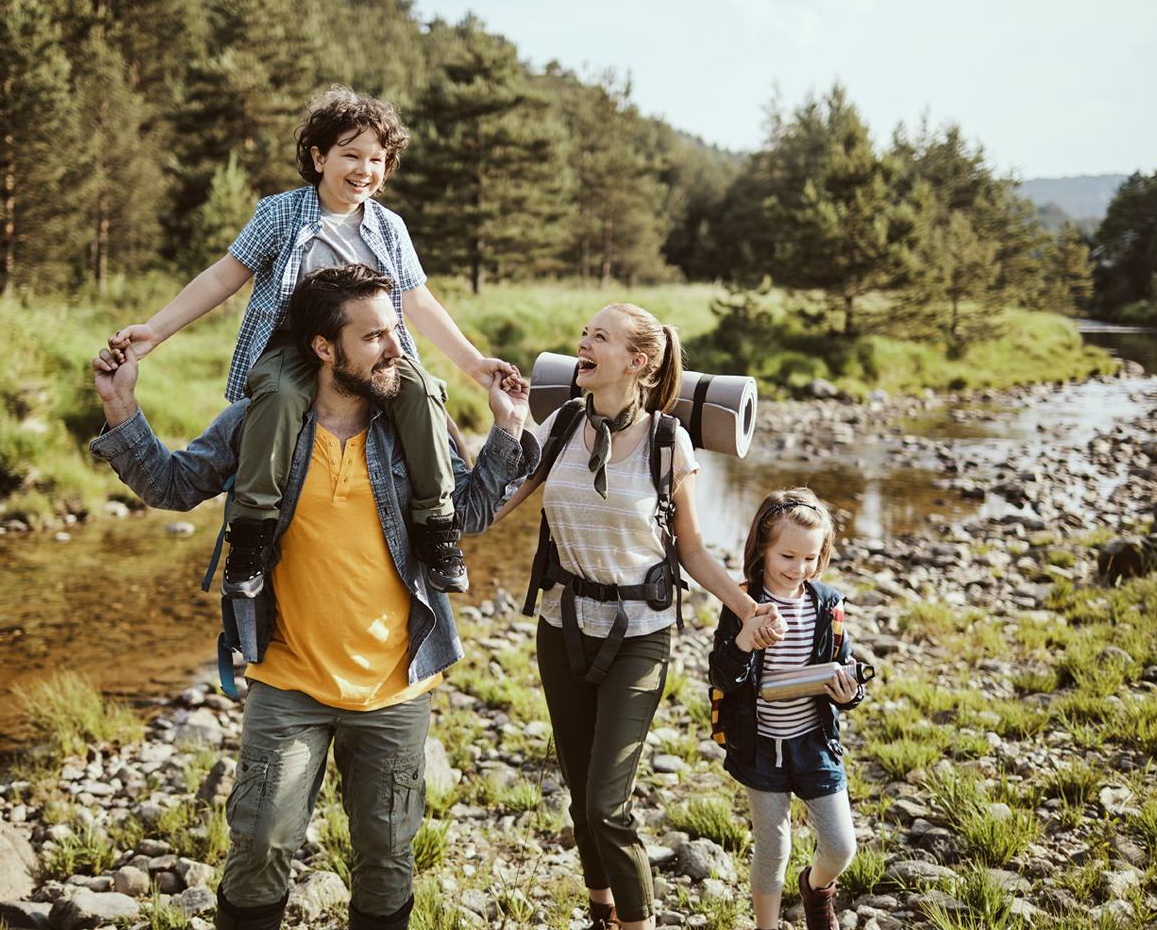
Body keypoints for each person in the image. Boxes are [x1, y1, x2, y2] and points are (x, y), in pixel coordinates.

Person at [88, 265, 538, 930]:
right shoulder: (260, 422)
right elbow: (175, 486)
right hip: (287, 679)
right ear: (324, 348)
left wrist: (507, 428)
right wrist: (120, 405)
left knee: (385, 857)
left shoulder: (417, 424)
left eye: (396, 332)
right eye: (375, 337)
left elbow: (467, 514)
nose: (395, 349)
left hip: (396, 686)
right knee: (261, 842)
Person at [107, 85, 513, 598]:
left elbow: (419, 303)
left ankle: (436, 526)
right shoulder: (280, 213)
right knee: (277, 397)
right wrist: (156, 330)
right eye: (350, 154)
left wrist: (474, 365)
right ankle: (252, 532)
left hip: (376, 351)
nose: (364, 170)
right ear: (319, 157)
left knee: (423, 391)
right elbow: (223, 277)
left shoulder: (389, 227)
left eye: (377, 159)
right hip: (292, 344)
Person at [494, 303, 780, 930]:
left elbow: (694, 550)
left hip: (639, 638)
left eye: (599, 337)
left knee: (606, 805)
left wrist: (747, 606)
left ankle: (638, 921)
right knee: (578, 796)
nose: (582, 343)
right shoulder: (561, 424)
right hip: (561, 628)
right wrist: (503, 427)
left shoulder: (666, 441)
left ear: (638, 361)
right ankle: (601, 912)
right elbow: (493, 502)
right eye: (583, 333)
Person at [708, 488, 865, 930]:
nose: (799, 569)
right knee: (772, 847)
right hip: (760, 747)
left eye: (810, 559)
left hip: (814, 742)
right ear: (762, 548)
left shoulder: (826, 605)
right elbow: (721, 676)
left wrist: (847, 691)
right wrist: (744, 641)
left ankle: (816, 891)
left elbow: (846, 670)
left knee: (839, 846)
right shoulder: (742, 601)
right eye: (787, 557)